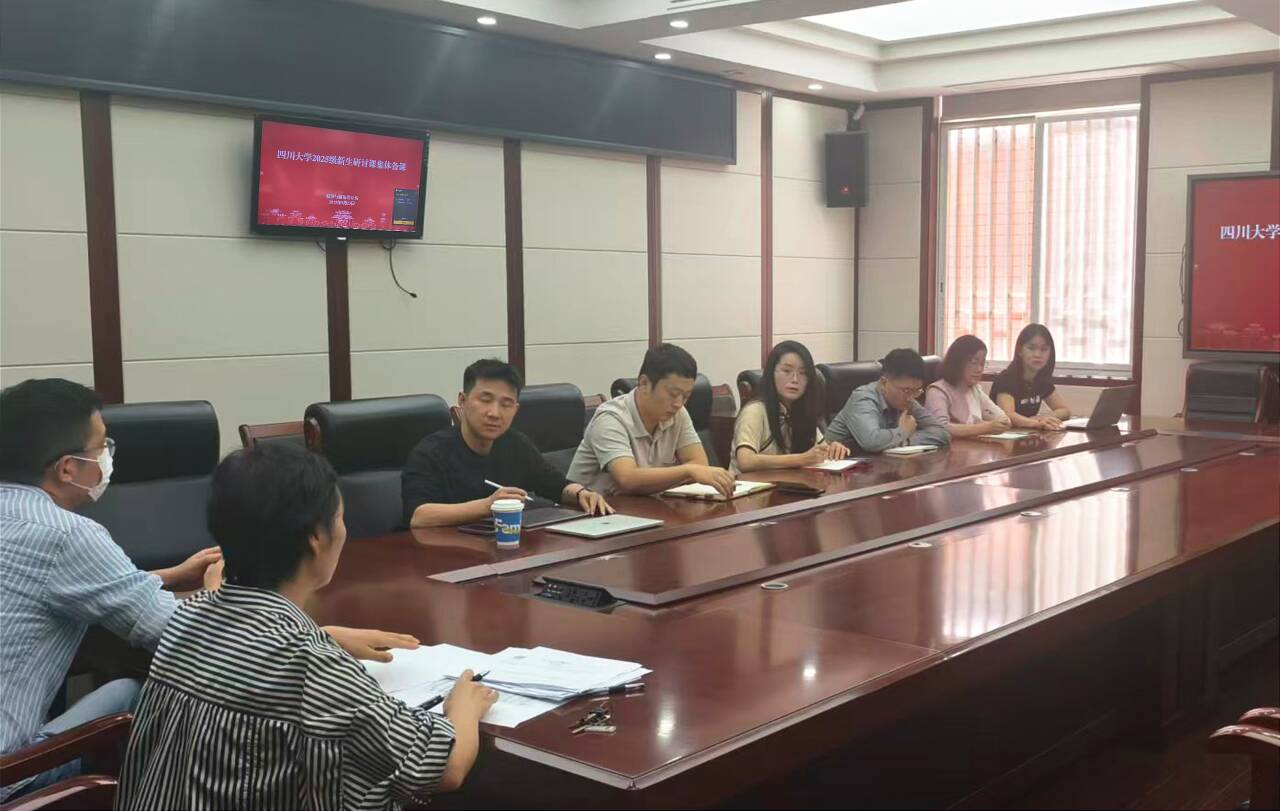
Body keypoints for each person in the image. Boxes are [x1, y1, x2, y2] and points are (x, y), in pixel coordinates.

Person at [117, 444, 498, 809]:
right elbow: (444, 768)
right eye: (340, 518)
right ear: (316, 537)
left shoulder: (187, 615)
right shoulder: (312, 665)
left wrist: (323, 635)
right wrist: (462, 708)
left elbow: (246, 655)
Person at [0, 379, 220, 801]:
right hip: (10, 776)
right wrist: (215, 590)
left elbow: (39, 587)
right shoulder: (66, 534)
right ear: (67, 468)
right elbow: (182, 635)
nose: (107, 457)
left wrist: (166, 577)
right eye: (102, 446)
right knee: (137, 693)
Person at [402, 359, 612, 528]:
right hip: (442, 555)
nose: (494, 413)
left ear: (516, 409)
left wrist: (581, 493)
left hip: (501, 550)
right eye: (485, 400)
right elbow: (420, 516)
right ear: (462, 401)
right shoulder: (431, 452)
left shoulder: (515, 444)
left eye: (506, 404)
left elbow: (555, 484)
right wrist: (488, 506)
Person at [568, 343, 736, 497]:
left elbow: (700, 464)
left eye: (686, 396)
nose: (679, 403)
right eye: (673, 394)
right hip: (593, 513)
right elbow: (627, 478)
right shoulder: (610, 419)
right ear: (644, 383)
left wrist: (645, 485)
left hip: (641, 507)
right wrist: (687, 471)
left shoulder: (678, 413)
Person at [733, 341, 851, 475]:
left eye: (803, 373)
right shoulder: (755, 411)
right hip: (748, 486)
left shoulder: (801, 411)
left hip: (789, 484)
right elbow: (746, 461)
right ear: (771, 373)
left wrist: (832, 450)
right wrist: (801, 459)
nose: (795, 379)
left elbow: (819, 451)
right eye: (786, 371)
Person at [825, 348, 951, 453]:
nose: (911, 398)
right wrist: (903, 432)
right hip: (839, 467)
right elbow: (871, 442)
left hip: (880, 465)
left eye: (916, 391)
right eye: (906, 390)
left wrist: (905, 441)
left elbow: (942, 433)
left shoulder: (907, 400)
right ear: (884, 383)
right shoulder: (863, 399)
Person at [924, 335, 1013, 438]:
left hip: (974, 446)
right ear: (958, 363)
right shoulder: (937, 391)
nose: (979, 369)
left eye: (982, 364)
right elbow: (941, 428)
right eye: (974, 363)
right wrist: (985, 427)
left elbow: (1004, 419)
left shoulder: (975, 390)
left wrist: (1000, 424)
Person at [989, 323, 1072, 430]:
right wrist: (1037, 423)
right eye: (1031, 348)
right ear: (1020, 351)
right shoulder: (1006, 379)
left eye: (1044, 349)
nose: (1037, 354)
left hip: (1027, 433)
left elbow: (1064, 410)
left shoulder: (1041, 379)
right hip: (1002, 436)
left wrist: (1045, 418)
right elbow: (1008, 416)